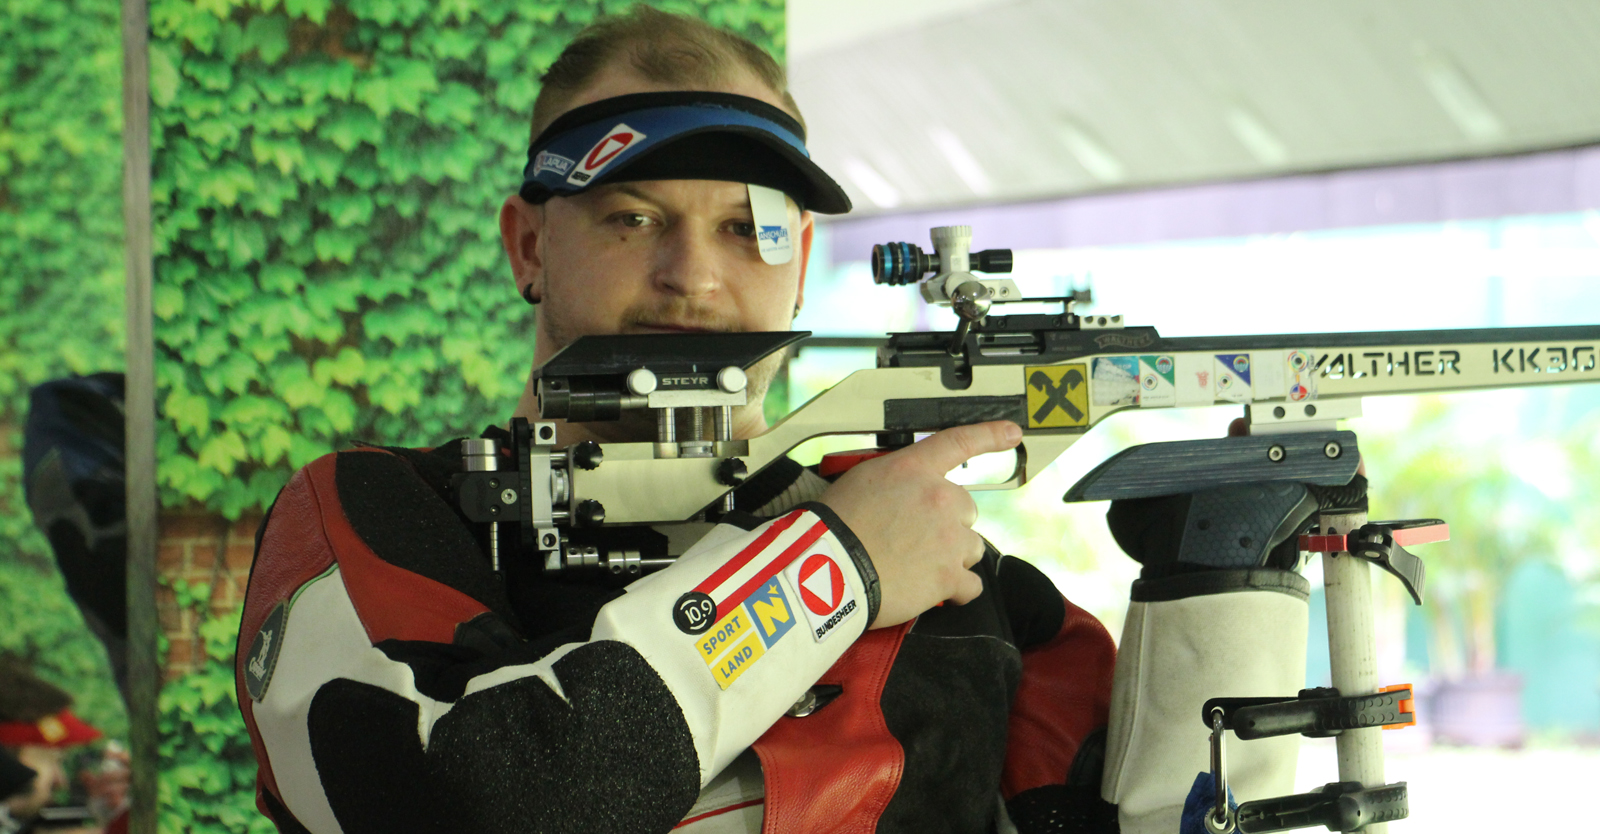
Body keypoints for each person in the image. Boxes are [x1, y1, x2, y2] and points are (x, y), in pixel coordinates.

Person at [235, 7, 1116, 833]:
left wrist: (1217, 589)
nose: (692, 276)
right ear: (529, 246)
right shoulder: (378, 512)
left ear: (800, 261)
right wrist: (832, 569)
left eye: (745, 228)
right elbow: (463, 795)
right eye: (634, 216)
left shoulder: (947, 565)